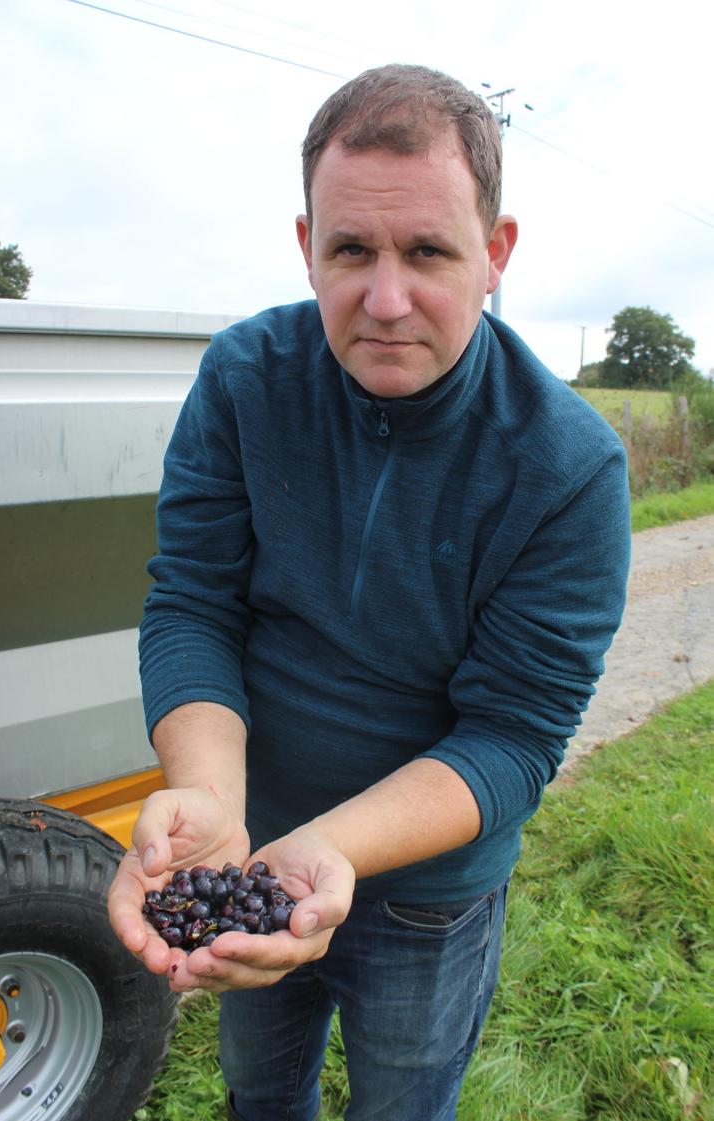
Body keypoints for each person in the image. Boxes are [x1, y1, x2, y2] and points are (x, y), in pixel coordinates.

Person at [108, 63, 630, 1121]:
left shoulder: (571, 467)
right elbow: (195, 603)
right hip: (251, 851)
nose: (385, 301)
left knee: (402, 1101)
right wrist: (212, 802)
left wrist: (333, 850)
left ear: (497, 253)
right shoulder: (246, 377)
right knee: (260, 1092)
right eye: (351, 250)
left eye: (429, 252)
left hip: (432, 895)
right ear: (307, 245)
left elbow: (515, 736)